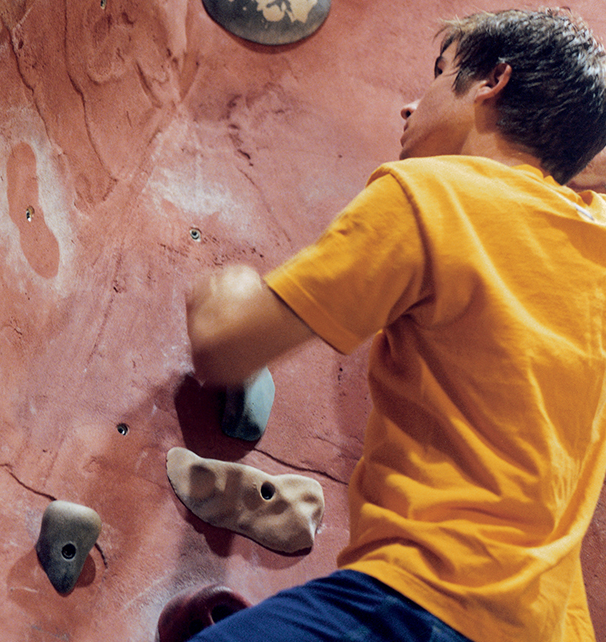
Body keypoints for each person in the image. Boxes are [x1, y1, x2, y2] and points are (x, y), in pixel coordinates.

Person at [168, 8, 606, 642]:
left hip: (422, 602)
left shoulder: (429, 194)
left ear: (493, 82)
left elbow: (224, 348)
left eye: (437, 74)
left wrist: (223, 291)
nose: (408, 106)